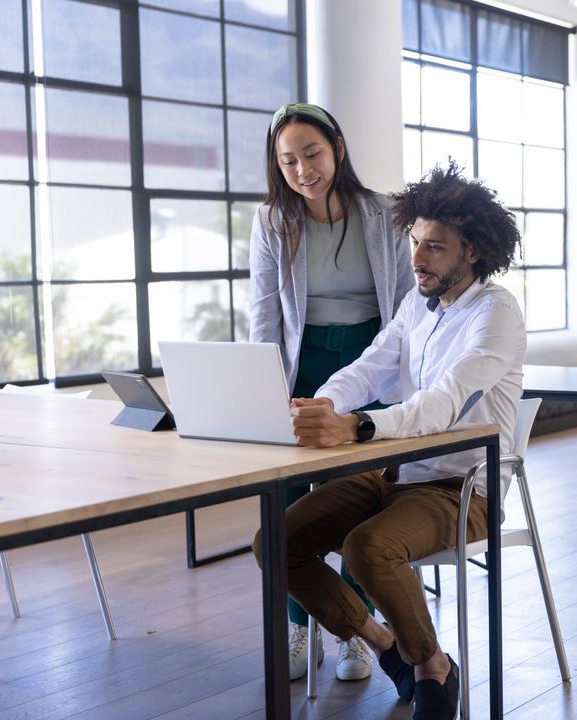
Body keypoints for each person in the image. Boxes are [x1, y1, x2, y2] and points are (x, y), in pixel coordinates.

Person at [251, 160, 525, 720]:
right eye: (415, 242)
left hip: (462, 490)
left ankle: (432, 668)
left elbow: (444, 403)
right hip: (396, 475)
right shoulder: (414, 308)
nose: (417, 259)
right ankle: (388, 649)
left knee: (366, 548)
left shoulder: (496, 313)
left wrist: (360, 425)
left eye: (435, 247)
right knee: (276, 542)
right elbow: (368, 367)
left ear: (472, 251)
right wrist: (321, 405)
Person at [248, 102, 414, 682]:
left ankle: (356, 633)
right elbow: (264, 312)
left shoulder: (384, 214)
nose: (302, 170)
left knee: (354, 495)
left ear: (338, 148)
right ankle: (299, 628)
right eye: (288, 160)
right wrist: (263, 389)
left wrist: (403, 383)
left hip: (371, 359)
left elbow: (406, 307)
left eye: (312, 154)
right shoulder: (273, 220)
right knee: (292, 502)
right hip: (303, 363)